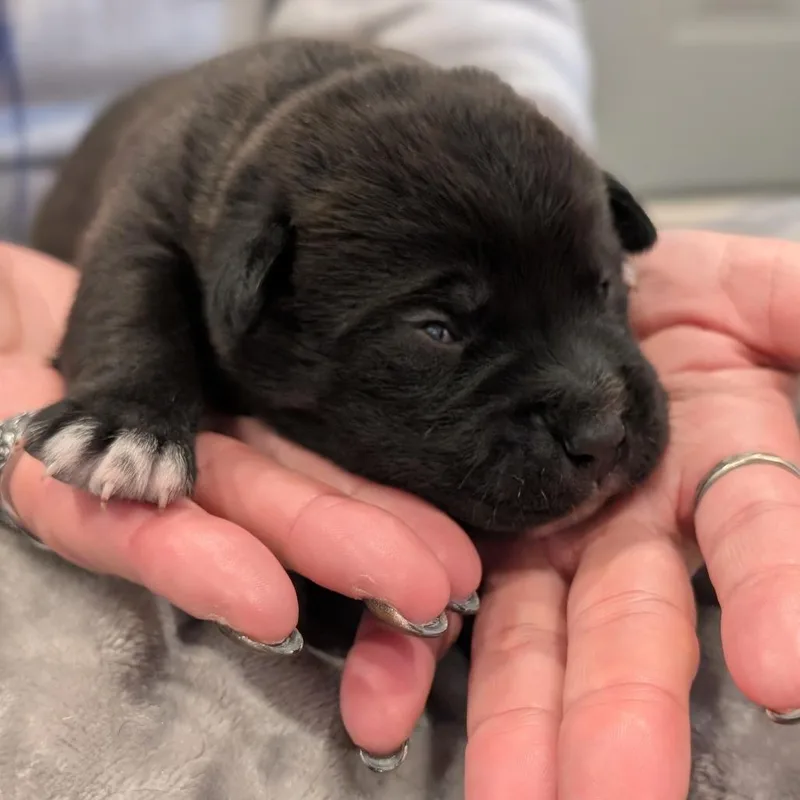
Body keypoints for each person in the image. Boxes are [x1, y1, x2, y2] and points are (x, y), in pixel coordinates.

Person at [4, 229, 800, 800]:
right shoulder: (213, 219)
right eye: (443, 328)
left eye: (601, 289)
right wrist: (135, 391)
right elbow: (146, 249)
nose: (600, 417)